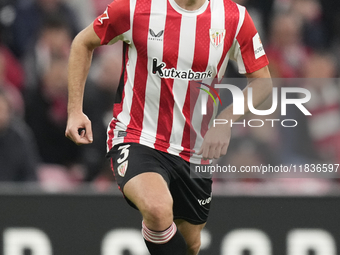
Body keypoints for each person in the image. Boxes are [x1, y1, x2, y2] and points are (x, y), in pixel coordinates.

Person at [65, 0, 272, 254]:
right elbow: (82, 42)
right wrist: (75, 110)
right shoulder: (135, 8)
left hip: (194, 152)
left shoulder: (234, 17)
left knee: (191, 244)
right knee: (158, 208)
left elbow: (262, 82)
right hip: (137, 136)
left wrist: (224, 121)